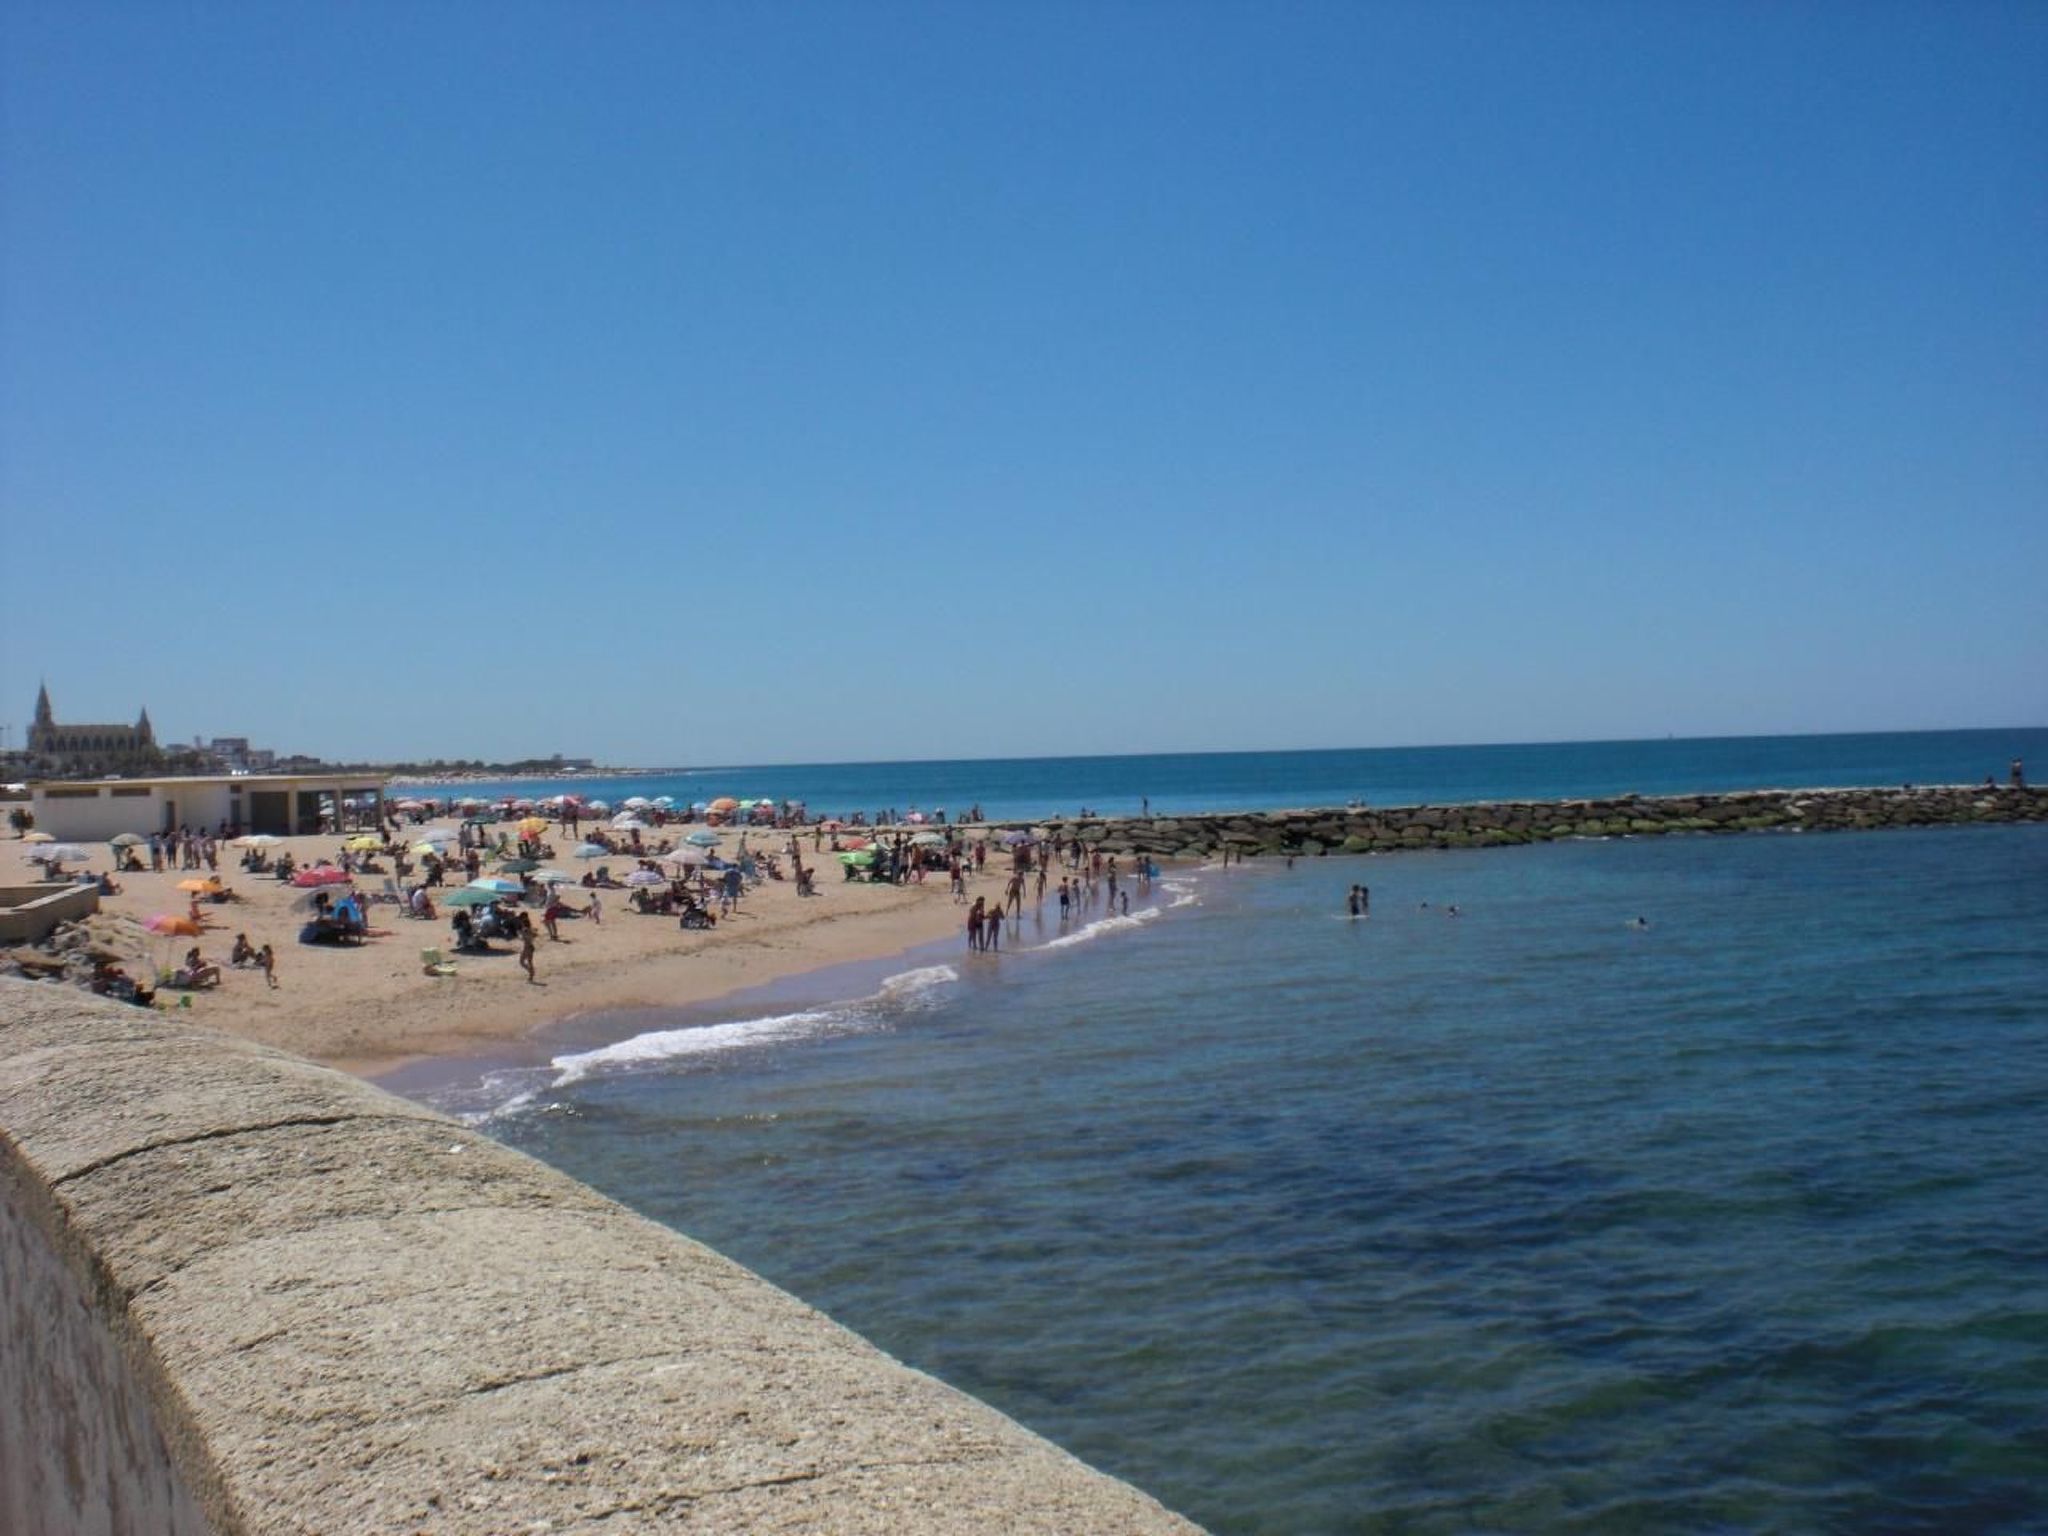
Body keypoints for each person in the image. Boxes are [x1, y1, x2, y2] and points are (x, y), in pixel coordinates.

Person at [518, 912, 538, 983]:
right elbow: (534, 935)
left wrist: (521, 935)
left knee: (521, 962)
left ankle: (531, 972)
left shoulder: (525, 930)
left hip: (526, 947)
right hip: (531, 946)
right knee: (530, 962)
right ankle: (530, 977)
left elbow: (525, 937)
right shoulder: (529, 929)